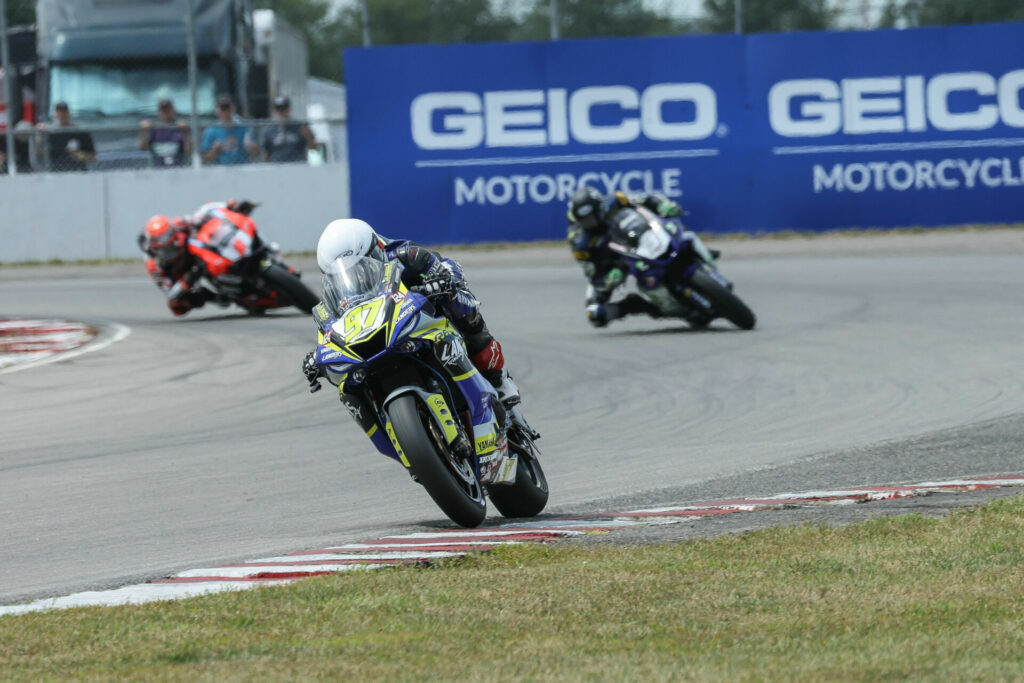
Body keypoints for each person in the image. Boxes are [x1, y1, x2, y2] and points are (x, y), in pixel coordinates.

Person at [301, 219, 521, 454]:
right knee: (347, 383)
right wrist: (317, 357)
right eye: (343, 271)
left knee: (461, 307)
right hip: (381, 331)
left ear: (374, 250)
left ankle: (498, 379)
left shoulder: (405, 253)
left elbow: (445, 269)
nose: (354, 273)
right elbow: (328, 329)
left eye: (361, 264)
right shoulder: (337, 294)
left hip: (424, 313)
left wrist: (442, 284)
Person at [567, 185, 710, 328]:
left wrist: (663, 205)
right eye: (585, 220)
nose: (590, 223)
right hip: (618, 263)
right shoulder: (581, 244)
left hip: (643, 236)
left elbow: (645, 198)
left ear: (600, 207)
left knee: (677, 228)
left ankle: (702, 255)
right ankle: (643, 306)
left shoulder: (616, 200)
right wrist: (607, 279)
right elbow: (592, 274)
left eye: (592, 217)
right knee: (595, 314)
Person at [138, 200, 257, 316]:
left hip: (198, 251)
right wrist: (187, 280)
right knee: (177, 307)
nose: (170, 249)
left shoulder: (178, 223)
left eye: (170, 242)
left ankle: (240, 256)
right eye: (165, 249)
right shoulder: (154, 267)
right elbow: (169, 292)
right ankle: (213, 296)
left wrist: (228, 205)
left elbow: (202, 213)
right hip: (184, 272)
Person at [36, 101, 96, 172]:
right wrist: (41, 135)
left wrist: (79, 155)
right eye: (59, 112)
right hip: (56, 173)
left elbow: (93, 157)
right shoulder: (52, 134)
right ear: (55, 114)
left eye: (64, 112)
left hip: (78, 173)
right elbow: (40, 154)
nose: (62, 115)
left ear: (68, 113)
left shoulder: (80, 133)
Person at [200, 95, 257, 165]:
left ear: (233, 109)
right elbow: (205, 157)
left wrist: (251, 148)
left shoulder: (244, 128)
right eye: (222, 108)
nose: (226, 112)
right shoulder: (211, 130)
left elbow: (256, 153)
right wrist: (215, 151)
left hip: (241, 168)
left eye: (228, 108)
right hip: (219, 169)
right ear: (217, 111)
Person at [260, 95, 317, 163]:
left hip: (297, 166)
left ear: (289, 109)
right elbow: (267, 154)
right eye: (278, 109)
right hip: (277, 168)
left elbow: (314, 148)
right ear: (274, 111)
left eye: (284, 109)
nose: (281, 112)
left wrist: (309, 137)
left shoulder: (300, 126)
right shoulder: (269, 130)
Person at [139, 98, 191, 168]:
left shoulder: (181, 129)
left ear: (173, 111)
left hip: (178, 170)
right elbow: (143, 148)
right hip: (157, 171)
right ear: (159, 112)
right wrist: (144, 132)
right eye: (163, 110)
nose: (166, 113)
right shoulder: (153, 130)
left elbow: (189, 151)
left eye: (168, 110)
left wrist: (186, 132)